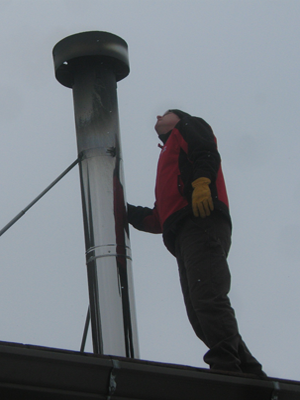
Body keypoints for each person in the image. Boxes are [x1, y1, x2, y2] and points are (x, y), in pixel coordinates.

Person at [127, 109, 266, 377]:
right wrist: (125, 211)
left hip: (201, 220)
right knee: (197, 308)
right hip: (184, 231)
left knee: (207, 297)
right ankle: (247, 368)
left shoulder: (189, 127)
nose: (158, 116)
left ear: (178, 118)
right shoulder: (168, 154)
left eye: (165, 113)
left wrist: (202, 182)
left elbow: (205, 151)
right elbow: (160, 217)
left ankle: (227, 366)